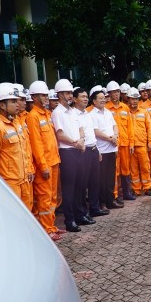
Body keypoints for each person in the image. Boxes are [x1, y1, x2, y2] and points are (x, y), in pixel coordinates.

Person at [51, 79, 92, 233]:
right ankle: (70, 220)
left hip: (78, 150)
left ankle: (80, 215)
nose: (70, 95)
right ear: (60, 94)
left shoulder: (72, 111)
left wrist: (81, 141)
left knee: (80, 186)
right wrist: (76, 143)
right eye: (67, 93)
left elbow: (81, 128)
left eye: (70, 93)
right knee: (69, 188)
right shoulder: (57, 112)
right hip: (67, 152)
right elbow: (60, 134)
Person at [26, 80, 63, 241]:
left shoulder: (47, 114)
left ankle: (51, 226)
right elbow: (36, 144)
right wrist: (43, 166)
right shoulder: (33, 116)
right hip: (45, 165)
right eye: (42, 95)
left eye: (46, 95)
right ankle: (46, 230)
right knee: (44, 198)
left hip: (54, 161)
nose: (46, 97)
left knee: (53, 196)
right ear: (34, 97)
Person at [0, 83, 32, 209]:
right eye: (13, 101)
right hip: (10, 184)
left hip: (24, 181)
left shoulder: (16, 123)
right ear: (2, 105)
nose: (18, 104)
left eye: (17, 101)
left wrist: (28, 170)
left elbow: (24, 150)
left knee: (26, 215)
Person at [73, 87, 107, 218]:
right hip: (83, 151)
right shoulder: (73, 114)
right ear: (75, 99)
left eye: (86, 97)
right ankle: (82, 212)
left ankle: (94, 208)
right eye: (82, 97)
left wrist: (97, 149)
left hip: (93, 149)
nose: (85, 99)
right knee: (82, 183)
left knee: (94, 181)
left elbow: (91, 133)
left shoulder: (87, 113)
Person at [89, 86, 123, 210]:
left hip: (111, 148)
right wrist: (110, 138)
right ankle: (102, 203)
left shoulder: (108, 112)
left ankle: (110, 200)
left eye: (104, 98)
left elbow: (115, 126)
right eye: (100, 98)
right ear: (94, 101)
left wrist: (115, 136)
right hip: (101, 150)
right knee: (101, 178)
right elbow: (95, 131)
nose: (103, 100)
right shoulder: (92, 115)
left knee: (110, 177)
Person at [106, 80, 135, 202]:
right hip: (113, 145)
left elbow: (130, 127)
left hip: (125, 144)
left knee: (126, 168)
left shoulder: (125, 107)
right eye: (113, 92)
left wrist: (131, 143)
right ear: (109, 94)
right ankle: (115, 194)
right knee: (115, 170)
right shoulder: (106, 109)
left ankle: (127, 192)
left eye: (118, 91)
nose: (116, 94)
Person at [126, 87, 151, 195]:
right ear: (128, 99)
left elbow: (149, 128)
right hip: (130, 146)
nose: (135, 101)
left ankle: (147, 187)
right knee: (133, 169)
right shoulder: (126, 112)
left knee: (145, 167)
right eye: (132, 99)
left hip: (142, 144)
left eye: (136, 99)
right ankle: (136, 189)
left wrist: (150, 141)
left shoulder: (144, 112)